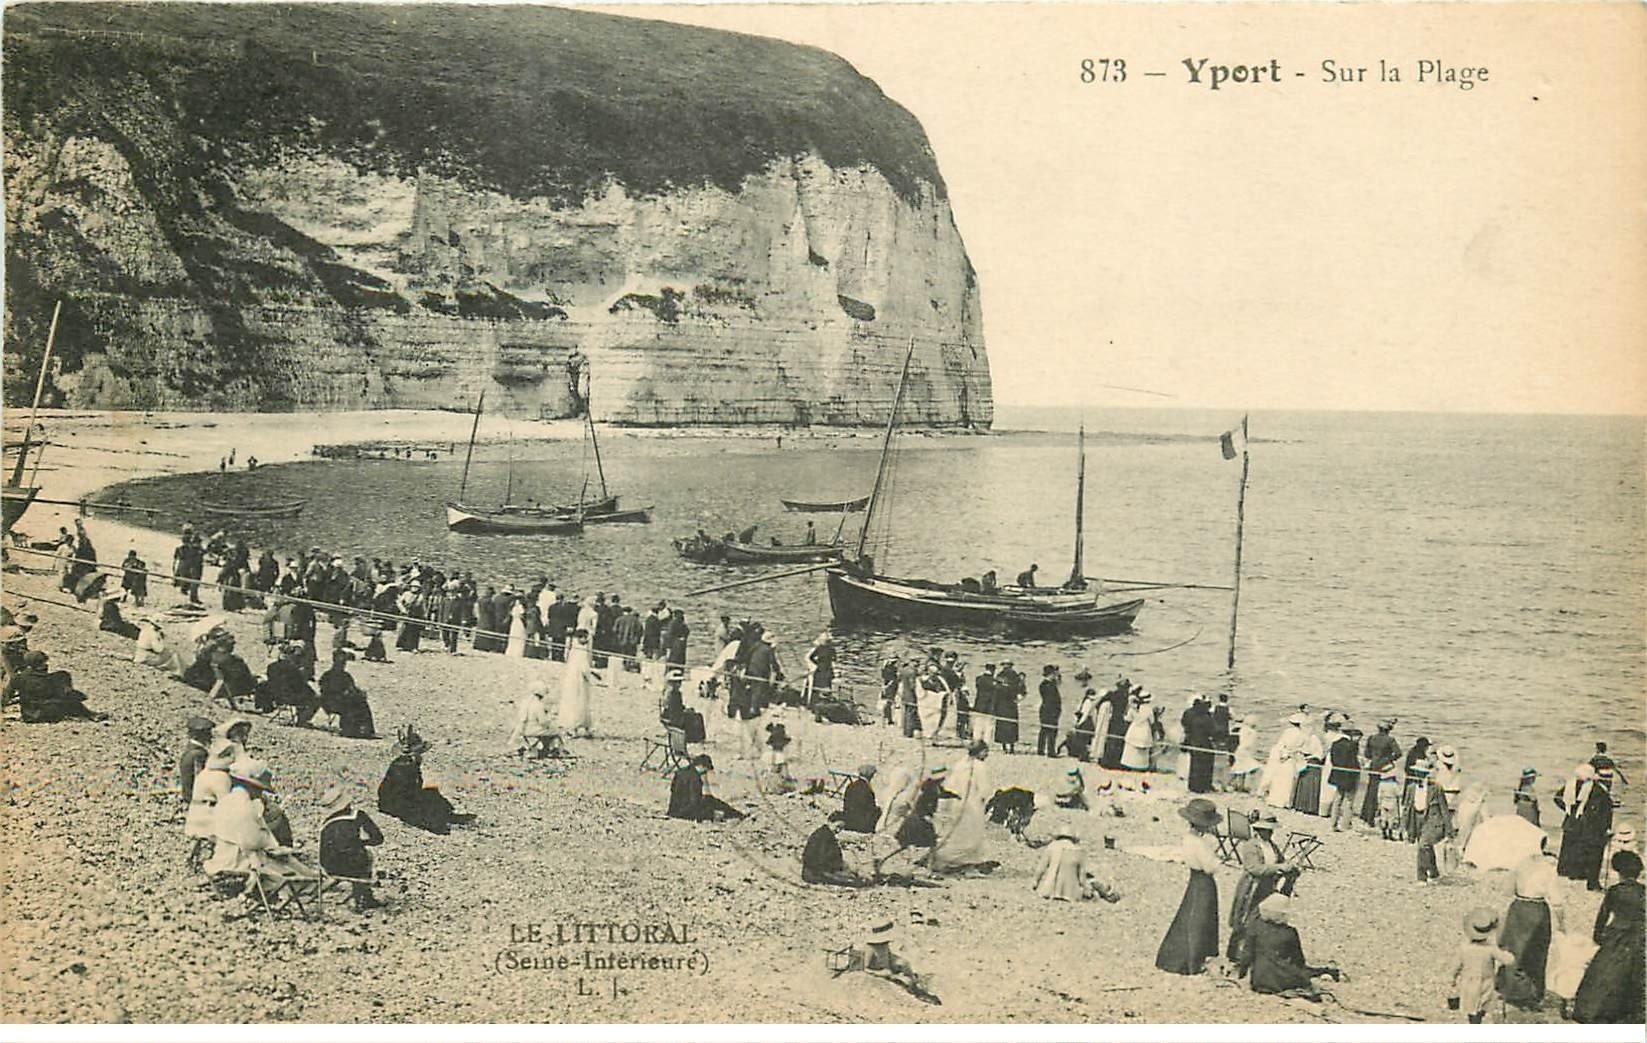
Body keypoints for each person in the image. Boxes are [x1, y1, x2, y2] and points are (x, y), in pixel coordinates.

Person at [1571, 850, 1645, 1024]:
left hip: (1616, 935)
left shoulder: (1614, 891)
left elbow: (1602, 916)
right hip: (1637, 936)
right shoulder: (1643, 891)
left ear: (1617, 870)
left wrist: (1597, 936)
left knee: (1604, 974)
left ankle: (1595, 1010)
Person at [1155, 797, 1222, 975]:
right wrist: (1216, 857)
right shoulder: (1200, 844)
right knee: (1200, 918)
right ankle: (1193, 959)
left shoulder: (1187, 839)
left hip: (1194, 878)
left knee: (1189, 914)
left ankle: (1185, 956)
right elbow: (1211, 867)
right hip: (1204, 881)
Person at [1227, 810, 1300, 966]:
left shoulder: (1271, 846)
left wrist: (1288, 867)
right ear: (1259, 830)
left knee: (1262, 919)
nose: (1270, 833)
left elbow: (1280, 860)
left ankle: (1256, 951)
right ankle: (1236, 953)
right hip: (1252, 887)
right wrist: (1278, 867)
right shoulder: (1250, 846)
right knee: (1245, 919)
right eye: (1267, 830)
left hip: (1267, 887)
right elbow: (1254, 868)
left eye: (1271, 830)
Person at [1497, 843, 1564, 1010]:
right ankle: (1533, 994)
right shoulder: (1548, 868)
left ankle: (1512, 990)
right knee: (1537, 952)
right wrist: (1562, 924)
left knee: (1513, 950)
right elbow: (1557, 901)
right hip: (1538, 909)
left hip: (1519, 907)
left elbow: (1506, 891)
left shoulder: (1518, 865)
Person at [377, 726, 474, 834]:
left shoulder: (407, 763)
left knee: (431, 794)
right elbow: (405, 791)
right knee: (428, 800)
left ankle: (446, 816)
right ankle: (440, 820)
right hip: (394, 804)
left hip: (396, 800)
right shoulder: (405, 766)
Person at [1239, 895, 1341, 998]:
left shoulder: (1254, 928)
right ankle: (1328, 971)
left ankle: (1325, 972)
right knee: (1302, 973)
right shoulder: (1290, 933)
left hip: (1259, 981)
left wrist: (1242, 974)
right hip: (1283, 980)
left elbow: (1247, 955)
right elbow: (1298, 961)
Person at [931, 741, 995, 874]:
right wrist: (984, 799)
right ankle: (966, 860)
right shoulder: (980, 766)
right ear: (981, 752)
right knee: (973, 833)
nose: (987, 754)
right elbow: (985, 788)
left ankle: (945, 857)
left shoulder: (960, 764)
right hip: (973, 803)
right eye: (985, 751)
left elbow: (950, 784)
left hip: (957, 802)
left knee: (957, 832)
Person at [318, 786, 386, 912]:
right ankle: (365, 897)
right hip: (355, 866)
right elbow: (378, 839)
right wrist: (361, 843)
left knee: (351, 854)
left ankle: (360, 896)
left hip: (331, 867)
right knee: (365, 855)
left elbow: (323, 852)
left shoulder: (327, 823)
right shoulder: (358, 816)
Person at [1450, 907, 1515, 1024]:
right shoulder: (1490, 949)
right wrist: (1508, 952)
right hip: (1486, 981)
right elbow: (1508, 960)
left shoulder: (1464, 948)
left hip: (1468, 981)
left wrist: (1452, 978)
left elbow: (1456, 966)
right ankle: (1479, 1018)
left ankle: (1474, 1021)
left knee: (1471, 1005)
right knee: (1483, 1002)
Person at [2, 650, 109, 722]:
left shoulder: (18, 678)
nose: (46, 665)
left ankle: (77, 703)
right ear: (40, 664)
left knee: (61, 684)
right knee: (65, 690)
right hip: (47, 711)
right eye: (44, 662)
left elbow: (6, 696)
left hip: (28, 715)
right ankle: (90, 715)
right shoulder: (47, 679)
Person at [1555, 763, 1613, 890]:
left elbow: (1557, 798)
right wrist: (1607, 828)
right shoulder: (1597, 789)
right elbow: (1605, 810)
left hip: (1571, 822)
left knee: (1574, 849)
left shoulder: (1570, 785)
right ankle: (1591, 881)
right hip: (1589, 826)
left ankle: (1572, 873)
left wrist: (1568, 809)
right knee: (1591, 852)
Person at [1032, 825, 1119, 902]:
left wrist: (1035, 883)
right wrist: (1087, 891)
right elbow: (1082, 878)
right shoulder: (1078, 851)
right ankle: (1108, 893)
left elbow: (1040, 869)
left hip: (1049, 891)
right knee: (1093, 883)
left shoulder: (1051, 847)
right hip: (1071, 894)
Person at [254, 641, 321, 724]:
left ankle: (267, 707)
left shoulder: (271, 667)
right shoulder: (294, 670)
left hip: (277, 696)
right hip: (291, 698)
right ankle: (302, 719)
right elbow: (301, 687)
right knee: (315, 697)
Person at [667, 754, 745, 822]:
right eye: (706, 770)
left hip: (674, 810)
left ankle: (735, 814)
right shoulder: (695, 778)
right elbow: (695, 802)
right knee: (710, 801)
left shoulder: (680, 772)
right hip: (684, 813)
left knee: (709, 799)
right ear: (701, 766)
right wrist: (711, 813)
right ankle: (736, 814)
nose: (705, 773)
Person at [318, 650, 375, 738]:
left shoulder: (346, 676)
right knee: (349, 703)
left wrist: (358, 692)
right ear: (334, 662)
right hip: (330, 702)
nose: (342, 665)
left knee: (361, 702)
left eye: (343, 663)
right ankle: (348, 729)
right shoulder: (327, 676)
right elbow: (325, 692)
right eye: (340, 662)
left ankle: (364, 729)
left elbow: (352, 688)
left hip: (343, 699)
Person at [802, 820, 870, 887]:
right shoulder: (823, 835)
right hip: (815, 872)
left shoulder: (826, 834)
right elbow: (820, 859)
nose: (838, 830)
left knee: (849, 873)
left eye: (840, 829)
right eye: (837, 826)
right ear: (830, 822)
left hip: (819, 869)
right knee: (848, 880)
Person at [1359, 719, 1401, 825]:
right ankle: (1378, 816)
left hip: (1373, 766)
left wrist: (1374, 759)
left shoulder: (1371, 738)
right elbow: (1398, 753)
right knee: (1383, 792)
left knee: (1371, 791)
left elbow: (1367, 754)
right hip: (1384, 768)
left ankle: (1366, 815)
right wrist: (1387, 759)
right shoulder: (1390, 740)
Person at [558, 629, 597, 738]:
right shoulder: (582, 651)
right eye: (585, 637)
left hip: (570, 679)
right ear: (581, 638)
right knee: (580, 702)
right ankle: (577, 727)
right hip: (579, 680)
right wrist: (591, 676)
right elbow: (584, 668)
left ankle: (571, 726)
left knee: (570, 701)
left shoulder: (573, 650)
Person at [1323, 723, 1362, 831]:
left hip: (1338, 773)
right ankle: (1345, 825)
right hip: (1349, 775)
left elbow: (1332, 759)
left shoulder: (1335, 743)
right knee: (1349, 800)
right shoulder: (1352, 745)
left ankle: (1333, 824)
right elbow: (1353, 762)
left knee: (1337, 799)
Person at [176, 716, 215, 814]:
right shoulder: (199, 754)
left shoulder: (189, 751)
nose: (211, 737)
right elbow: (201, 780)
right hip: (197, 802)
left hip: (190, 798)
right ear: (199, 736)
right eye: (207, 734)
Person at [1417, 783, 1450, 884]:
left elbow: (1444, 809)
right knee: (1428, 848)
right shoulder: (1412, 788)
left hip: (1433, 821)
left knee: (1422, 846)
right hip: (1418, 821)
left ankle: (1422, 877)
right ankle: (1434, 873)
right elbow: (1408, 805)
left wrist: (1449, 829)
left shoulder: (1436, 789)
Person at [833, 764, 881, 833]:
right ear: (870, 776)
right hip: (862, 825)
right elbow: (870, 808)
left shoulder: (850, 786)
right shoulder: (867, 789)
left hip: (849, 821)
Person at [1120, 691, 1157, 771]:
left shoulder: (1133, 708)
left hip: (1134, 728)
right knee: (1142, 751)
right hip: (1144, 729)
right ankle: (1141, 766)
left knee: (1131, 749)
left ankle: (1128, 764)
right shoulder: (1149, 709)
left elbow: (1127, 719)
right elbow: (1152, 721)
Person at [916, 661, 950, 741]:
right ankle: (927, 733)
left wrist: (941, 695)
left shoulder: (940, 680)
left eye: (935, 673)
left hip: (937, 704)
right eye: (932, 673)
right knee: (926, 719)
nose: (934, 675)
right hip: (926, 704)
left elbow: (946, 690)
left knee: (936, 719)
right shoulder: (922, 680)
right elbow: (920, 692)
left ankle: (935, 733)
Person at [1229, 716, 1264, 793]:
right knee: (1252, 768)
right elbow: (1249, 743)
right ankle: (1236, 785)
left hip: (1241, 751)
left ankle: (1237, 786)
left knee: (1240, 769)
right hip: (1245, 751)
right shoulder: (1252, 732)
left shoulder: (1243, 729)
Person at [993, 662, 1022, 753]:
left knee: (1008, 725)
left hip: (1007, 704)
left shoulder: (1011, 676)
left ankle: (1008, 746)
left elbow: (1020, 689)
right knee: (1007, 725)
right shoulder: (1005, 675)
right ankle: (1006, 746)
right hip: (1006, 704)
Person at [1036, 666, 1061, 758]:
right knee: (1051, 730)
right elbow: (1052, 699)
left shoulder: (1045, 684)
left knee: (1044, 730)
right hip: (1050, 710)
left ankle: (1041, 750)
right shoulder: (1048, 685)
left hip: (1046, 709)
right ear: (1051, 674)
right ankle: (1050, 751)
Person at [804, 631, 835, 705]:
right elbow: (834, 659)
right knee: (826, 686)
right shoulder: (831, 649)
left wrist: (817, 663)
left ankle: (814, 702)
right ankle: (825, 702)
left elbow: (811, 657)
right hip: (826, 669)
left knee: (818, 686)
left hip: (821, 669)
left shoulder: (819, 648)